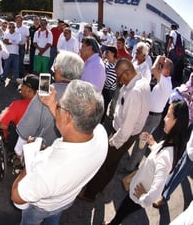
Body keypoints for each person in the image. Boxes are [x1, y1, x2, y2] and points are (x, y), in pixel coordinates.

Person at [11, 80, 108, 225]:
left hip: (41, 207)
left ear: (68, 116)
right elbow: (73, 129)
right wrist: (52, 104)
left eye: (59, 106)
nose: (57, 107)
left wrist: (32, 157)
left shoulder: (49, 168)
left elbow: (16, 197)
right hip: (66, 200)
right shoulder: (101, 134)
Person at [105, 100, 189, 225]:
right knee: (123, 211)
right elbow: (158, 158)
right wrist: (153, 144)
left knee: (123, 210)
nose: (164, 119)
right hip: (137, 188)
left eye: (168, 115)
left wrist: (143, 197)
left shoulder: (166, 156)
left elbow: (156, 193)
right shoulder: (170, 144)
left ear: (177, 122)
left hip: (137, 194)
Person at [78, 58, 151, 202]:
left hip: (123, 135)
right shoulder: (140, 81)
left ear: (127, 72)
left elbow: (127, 127)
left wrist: (113, 142)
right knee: (112, 164)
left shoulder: (135, 92)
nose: (118, 80)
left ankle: (89, 194)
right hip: (125, 133)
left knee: (104, 163)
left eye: (119, 76)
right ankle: (99, 187)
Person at [17, 51, 84, 150]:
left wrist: (18, 151)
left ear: (59, 70)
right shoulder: (84, 94)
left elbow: (27, 127)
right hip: (72, 150)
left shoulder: (45, 91)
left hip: (45, 150)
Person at [125, 56, 173, 172]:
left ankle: (131, 168)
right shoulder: (165, 82)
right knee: (141, 142)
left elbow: (153, 69)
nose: (160, 67)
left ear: (167, 71)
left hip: (152, 116)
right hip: (151, 115)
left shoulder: (166, 82)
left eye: (163, 66)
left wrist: (158, 59)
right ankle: (133, 164)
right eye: (161, 66)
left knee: (141, 143)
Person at [0, 74, 39, 160]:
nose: (20, 87)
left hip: (17, 141)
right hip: (37, 138)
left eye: (23, 85)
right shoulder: (45, 105)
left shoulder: (17, 105)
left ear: (29, 91)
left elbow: (2, 125)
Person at [102, 46, 118, 122]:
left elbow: (109, 81)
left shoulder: (114, 67)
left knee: (103, 109)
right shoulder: (105, 62)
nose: (106, 54)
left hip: (108, 91)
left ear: (113, 54)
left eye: (108, 52)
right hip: (102, 88)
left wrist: (101, 77)